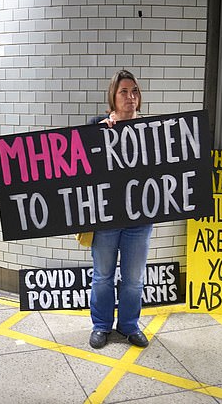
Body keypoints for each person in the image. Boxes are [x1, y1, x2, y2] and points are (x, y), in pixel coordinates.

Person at [88, 70, 153, 349]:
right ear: (113, 97)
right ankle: (101, 326)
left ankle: (129, 326)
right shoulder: (96, 126)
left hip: (139, 218)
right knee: (102, 275)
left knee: (134, 278)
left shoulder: (153, 129)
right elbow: (84, 169)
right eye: (124, 92)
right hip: (107, 216)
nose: (131, 97)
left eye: (135, 91)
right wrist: (102, 134)